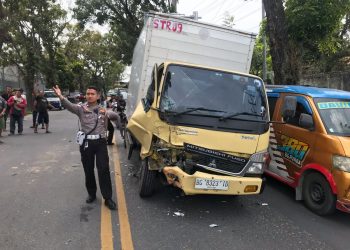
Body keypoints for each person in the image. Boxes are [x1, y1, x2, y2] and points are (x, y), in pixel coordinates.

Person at [52, 84, 118, 210]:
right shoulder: (80, 109)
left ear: (98, 96)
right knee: (88, 169)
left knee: (103, 169)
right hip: (86, 144)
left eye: (92, 94)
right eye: (88, 93)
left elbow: (108, 124)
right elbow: (69, 106)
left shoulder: (104, 110)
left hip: (100, 143)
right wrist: (60, 96)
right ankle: (91, 194)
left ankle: (107, 197)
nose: (89, 96)